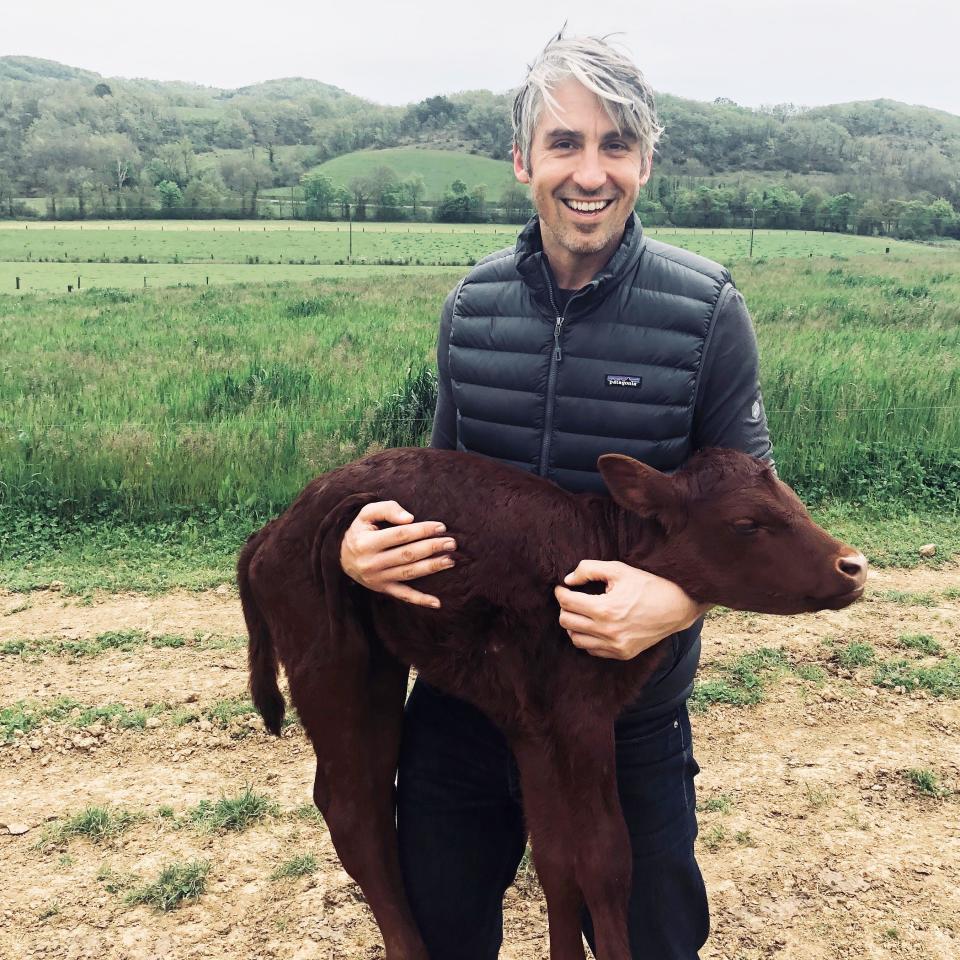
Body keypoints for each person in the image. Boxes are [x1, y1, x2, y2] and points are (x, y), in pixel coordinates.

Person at [340, 31, 773, 960]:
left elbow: (752, 513)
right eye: (565, 143)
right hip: (465, 706)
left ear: (646, 161)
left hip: (624, 712)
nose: (591, 171)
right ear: (522, 160)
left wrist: (682, 597)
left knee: (647, 940)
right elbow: (437, 481)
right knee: (443, 935)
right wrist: (361, 541)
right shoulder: (473, 306)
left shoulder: (706, 311)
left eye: (616, 144)